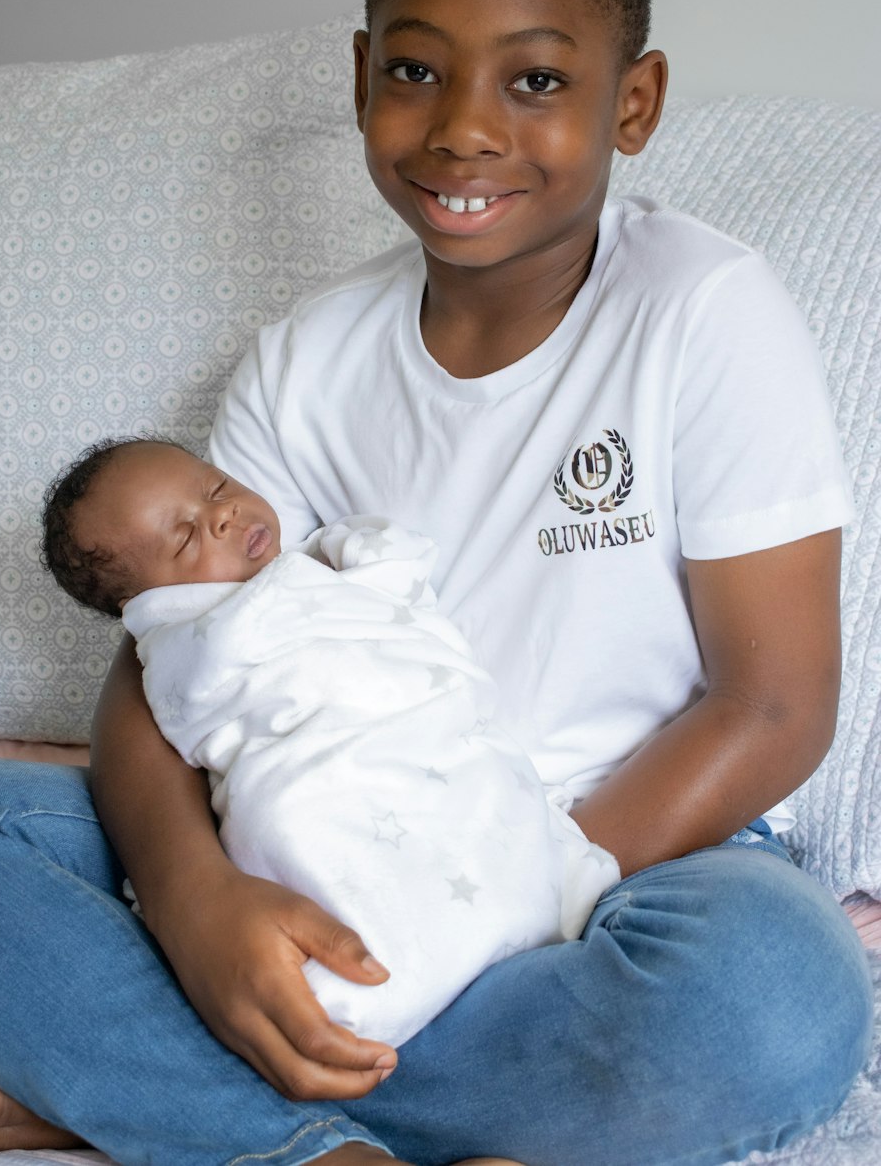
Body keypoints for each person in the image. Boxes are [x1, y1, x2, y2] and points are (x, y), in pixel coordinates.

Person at [0, 0, 873, 1166]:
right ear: (360, 78)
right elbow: (161, 665)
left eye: (536, 80)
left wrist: (509, 887)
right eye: (416, 70)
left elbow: (774, 704)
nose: (465, 127)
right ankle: (303, 1129)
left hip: (613, 868)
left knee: (778, 1003)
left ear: (633, 105)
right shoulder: (309, 357)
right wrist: (196, 904)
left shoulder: (703, 312)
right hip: (322, 843)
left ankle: (164, 1105)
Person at [40, 435, 619, 1047]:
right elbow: (194, 704)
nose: (222, 516)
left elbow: (401, 587)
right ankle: (326, 1027)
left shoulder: (325, 566)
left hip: (440, 752)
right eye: (185, 538)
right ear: (158, 603)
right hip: (314, 785)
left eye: (217, 488)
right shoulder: (196, 645)